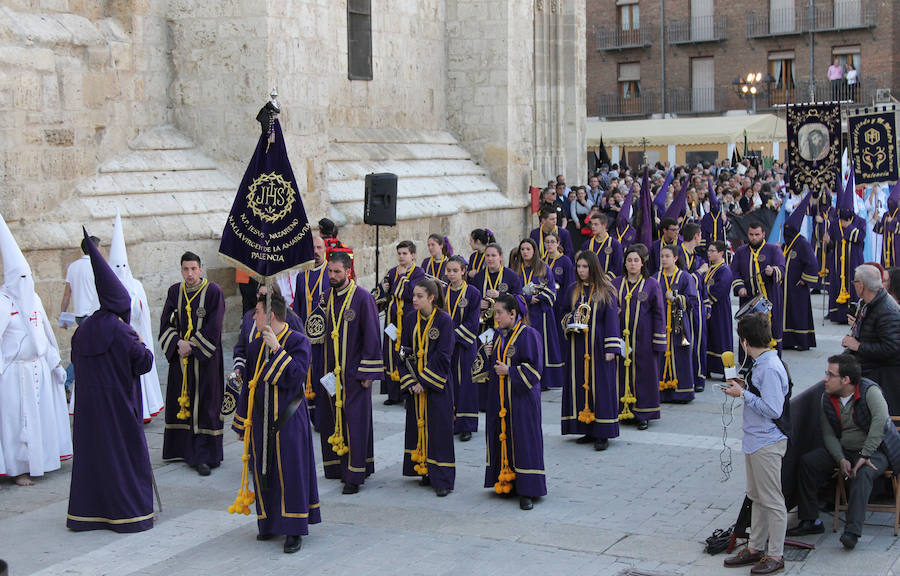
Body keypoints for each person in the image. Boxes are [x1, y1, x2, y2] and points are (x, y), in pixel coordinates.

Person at [67, 229, 155, 533]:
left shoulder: (83, 329)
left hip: (88, 409)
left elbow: (76, 361)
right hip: (118, 407)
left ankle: (87, 514)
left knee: (93, 459)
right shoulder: (122, 331)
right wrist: (142, 342)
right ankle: (127, 515)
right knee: (123, 460)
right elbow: (143, 363)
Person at [231, 292, 320, 553]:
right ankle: (268, 523)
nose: (253, 317)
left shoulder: (298, 341)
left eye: (256, 312)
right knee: (264, 472)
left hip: (289, 419)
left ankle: (294, 530)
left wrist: (277, 349)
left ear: (270, 315)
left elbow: (295, 377)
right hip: (260, 419)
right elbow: (250, 384)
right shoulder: (255, 344)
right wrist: (241, 423)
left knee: (291, 472)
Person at [787, 354, 900, 549]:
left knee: (863, 473)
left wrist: (865, 455)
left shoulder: (870, 391)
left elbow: (879, 425)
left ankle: (852, 532)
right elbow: (829, 434)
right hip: (846, 449)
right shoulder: (827, 397)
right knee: (809, 462)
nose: (825, 379)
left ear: (846, 380)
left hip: (876, 450)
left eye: (830, 375)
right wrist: (840, 459)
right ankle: (810, 520)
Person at [0, 214, 72, 486]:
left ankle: (39, 462)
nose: (25, 281)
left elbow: (45, 334)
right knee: (17, 424)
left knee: (38, 420)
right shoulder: (4, 302)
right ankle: (18, 469)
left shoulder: (34, 299)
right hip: (13, 373)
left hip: (37, 369)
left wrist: (54, 363)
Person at [722, 313, 788, 575]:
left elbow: (774, 409)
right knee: (756, 496)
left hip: (767, 442)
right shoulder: (762, 362)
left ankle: (776, 554)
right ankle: (756, 547)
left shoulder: (769, 367)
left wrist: (743, 394)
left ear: (745, 341)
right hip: (755, 439)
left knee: (772, 500)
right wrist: (744, 387)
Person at [316, 252, 384, 494]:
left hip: (355, 374)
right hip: (330, 374)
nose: (332, 276)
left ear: (348, 271)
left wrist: (368, 372)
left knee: (355, 421)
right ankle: (336, 468)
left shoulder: (363, 298)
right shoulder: (325, 298)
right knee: (332, 420)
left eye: (337, 272)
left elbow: (373, 336)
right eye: (330, 272)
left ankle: (355, 475)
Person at [158, 251, 225, 476]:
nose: (190, 274)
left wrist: (192, 345)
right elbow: (166, 323)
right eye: (186, 269)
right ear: (181, 270)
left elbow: (214, 326)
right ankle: (182, 450)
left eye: (193, 269)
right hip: (181, 359)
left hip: (205, 361)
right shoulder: (174, 292)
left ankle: (205, 455)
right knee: (181, 402)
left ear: (200, 269)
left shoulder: (213, 292)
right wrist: (177, 343)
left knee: (205, 404)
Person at [483, 294, 546, 510]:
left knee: (524, 442)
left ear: (513, 314)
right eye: (495, 312)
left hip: (522, 402)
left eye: (499, 312)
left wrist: (509, 371)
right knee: (504, 438)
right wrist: (488, 354)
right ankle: (507, 480)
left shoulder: (529, 334)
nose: (496, 317)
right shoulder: (498, 336)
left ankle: (528, 490)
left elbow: (535, 369)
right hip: (500, 401)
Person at [398, 279, 455, 497]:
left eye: (419, 296)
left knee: (439, 430)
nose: (414, 299)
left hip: (436, 385)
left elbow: (444, 355)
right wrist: (410, 381)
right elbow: (403, 351)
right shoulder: (410, 318)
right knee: (417, 426)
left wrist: (425, 381)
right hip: (416, 386)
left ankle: (442, 478)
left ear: (431, 298)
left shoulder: (444, 321)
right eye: (413, 295)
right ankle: (424, 468)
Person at [560, 250, 622, 450]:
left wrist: (611, 348)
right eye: (578, 266)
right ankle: (586, 428)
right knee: (579, 385)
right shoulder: (572, 289)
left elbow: (612, 320)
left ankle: (603, 433)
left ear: (593, 267)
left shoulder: (606, 290)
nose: (581, 270)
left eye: (585, 266)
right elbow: (562, 314)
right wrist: (571, 321)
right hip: (577, 346)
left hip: (599, 346)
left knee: (601, 387)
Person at [106, 211, 164, 422]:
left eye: (123, 266)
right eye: (116, 267)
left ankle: (144, 408)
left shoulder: (136, 285)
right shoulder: (106, 289)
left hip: (135, 336)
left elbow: (143, 313)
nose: (120, 270)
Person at [613, 244, 665, 429]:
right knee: (620, 374)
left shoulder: (652, 284)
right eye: (629, 260)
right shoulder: (616, 283)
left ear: (642, 263)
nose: (632, 264)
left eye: (636, 260)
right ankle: (621, 409)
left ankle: (643, 413)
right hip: (620, 338)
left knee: (644, 375)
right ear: (625, 263)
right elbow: (609, 308)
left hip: (644, 338)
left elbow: (659, 313)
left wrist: (658, 341)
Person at [842, 264, 900, 414]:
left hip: (881, 378)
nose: (853, 285)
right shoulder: (869, 304)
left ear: (861, 285)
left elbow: (891, 349)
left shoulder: (887, 310)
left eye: (854, 282)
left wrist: (858, 346)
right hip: (869, 370)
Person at [511, 238, 562, 389]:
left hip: (541, 313)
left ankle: (544, 380)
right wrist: (527, 298)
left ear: (534, 250)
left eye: (528, 249)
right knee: (524, 344)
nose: (525, 252)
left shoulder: (543, 267)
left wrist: (538, 297)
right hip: (522, 312)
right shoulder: (515, 268)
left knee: (541, 344)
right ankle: (524, 377)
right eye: (522, 249)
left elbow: (552, 290)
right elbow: (512, 291)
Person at [380, 240, 425, 406]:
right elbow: (383, 292)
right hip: (392, 320)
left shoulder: (418, 272)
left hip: (409, 318)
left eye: (405, 253)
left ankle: (408, 393)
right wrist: (384, 289)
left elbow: (412, 293)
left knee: (408, 354)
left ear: (412, 255)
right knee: (391, 353)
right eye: (399, 253)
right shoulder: (392, 272)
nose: (401, 256)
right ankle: (393, 393)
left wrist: (404, 282)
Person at [731, 222, 785, 357]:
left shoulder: (773, 250)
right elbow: (735, 272)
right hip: (748, 298)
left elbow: (782, 268)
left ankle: (772, 358)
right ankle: (747, 361)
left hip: (770, 297)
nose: (754, 238)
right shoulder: (741, 251)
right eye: (751, 235)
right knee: (748, 329)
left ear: (763, 234)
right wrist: (740, 287)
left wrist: (773, 271)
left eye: (757, 235)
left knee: (771, 328)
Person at [293, 236, 329, 427]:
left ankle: (323, 417)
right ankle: (308, 416)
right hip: (306, 337)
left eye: (319, 247)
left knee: (322, 374)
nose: (315, 251)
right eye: (312, 247)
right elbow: (298, 306)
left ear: (325, 249)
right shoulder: (301, 276)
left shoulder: (330, 273)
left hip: (325, 338)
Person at [445, 256, 481, 441]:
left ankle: (466, 425)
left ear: (463, 271)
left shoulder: (473, 293)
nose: (451, 274)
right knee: (449, 383)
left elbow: (473, 322)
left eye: (455, 271)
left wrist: (452, 336)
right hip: (446, 348)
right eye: (449, 271)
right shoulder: (442, 291)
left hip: (465, 346)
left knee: (466, 384)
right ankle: (450, 422)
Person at [59, 234, 100, 399]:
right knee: (86, 353)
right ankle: (66, 382)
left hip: (79, 315)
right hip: (93, 315)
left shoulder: (73, 267)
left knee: (87, 352)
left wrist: (63, 316)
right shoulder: (97, 266)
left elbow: (67, 294)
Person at [781, 193, 819, 351]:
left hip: (797, 286)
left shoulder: (802, 244)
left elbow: (812, 263)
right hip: (785, 287)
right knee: (788, 313)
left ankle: (803, 340)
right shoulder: (785, 245)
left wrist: (805, 279)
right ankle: (788, 340)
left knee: (799, 312)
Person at [826, 200, 866, 324]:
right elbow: (831, 244)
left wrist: (849, 227)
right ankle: (839, 315)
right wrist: (828, 242)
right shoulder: (834, 223)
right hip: (838, 260)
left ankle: (855, 313)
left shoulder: (860, 221)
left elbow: (860, 238)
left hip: (854, 258)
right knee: (837, 282)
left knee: (855, 282)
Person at [680, 223, 709, 392]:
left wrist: (707, 304)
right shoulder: (679, 254)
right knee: (686, 341)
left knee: (699, 342)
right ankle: (689, 378)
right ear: (697, 236)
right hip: (684, 305)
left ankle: (698, 377)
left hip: (698, 306)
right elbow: (684, 281)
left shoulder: (697, 257)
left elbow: (700, 285)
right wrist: (699, 272)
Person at [705, 241, 734, 379]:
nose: (709, 253)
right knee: (710, 338)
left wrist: (704, 292)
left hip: (720, 310)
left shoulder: (724, 270)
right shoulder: (710, 268)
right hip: (710, 309)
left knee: (722, 338)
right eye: (709, 251)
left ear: (721, 253)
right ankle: (708, 367)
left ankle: (727, 372)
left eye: (712, 251)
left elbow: (720, 289)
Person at [584, 213, 623, 280]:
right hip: (589, 281)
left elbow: (617, 267)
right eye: (592, 224)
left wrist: (604, 279)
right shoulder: (587, 244)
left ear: (604, 226)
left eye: (596, 224)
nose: (592, 226)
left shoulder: (615, 244)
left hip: (607, 283)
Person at [876, 182, 899, 269]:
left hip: (897, 247)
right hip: (886, 247)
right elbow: (880, 230)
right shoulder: (886, 214)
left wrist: (893, 222)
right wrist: (879, 222)